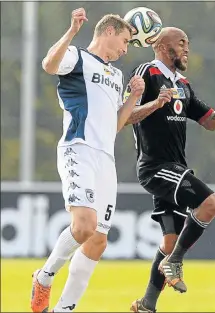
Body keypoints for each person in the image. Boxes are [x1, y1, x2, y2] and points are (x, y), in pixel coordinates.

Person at [124, 27, 215, 313]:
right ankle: (175, 262)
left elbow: (210, 122)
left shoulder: (182, 84)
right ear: (160, 45)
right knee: (211, 203)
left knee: (169, 241)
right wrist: (157, 103)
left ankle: (146, 304)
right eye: (180, 43)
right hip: (155, 167)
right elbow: (125, 116)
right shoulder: (146, 73)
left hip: (175, 169)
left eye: (188, 43)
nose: (186, 48)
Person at [30, 8, 145, 313]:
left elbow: (115, 125)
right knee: (83, 227)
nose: (125, 48)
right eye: (124, 40)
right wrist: (71, 32)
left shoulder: (117, 74)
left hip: (105, 159)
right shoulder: (77, 58)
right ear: (108, 32)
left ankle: (64, 309)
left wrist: (133, 97)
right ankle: (44, 277)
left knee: (98, 241)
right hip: (78, 149)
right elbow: (48, 64)